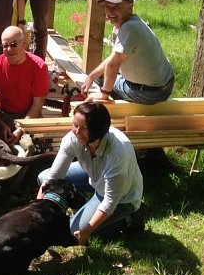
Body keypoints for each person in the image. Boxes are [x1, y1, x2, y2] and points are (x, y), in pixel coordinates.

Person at [37, 102, 147, 242]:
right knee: (43, 178)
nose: (77, 132)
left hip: (122, 198)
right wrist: (36, 213)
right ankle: (80, 202)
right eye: (75, 125)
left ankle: (132, 216)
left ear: (97, 130)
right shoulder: (73, 137)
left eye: (84, 128)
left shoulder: (118, 152)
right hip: (95, 177)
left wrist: (86, 231)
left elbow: (110, 201)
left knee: (76, 234)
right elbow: (52, 179)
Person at [82, 0, 175, 105]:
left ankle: (116, 110)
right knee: (101, 75)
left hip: (147, 93)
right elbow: (112, 59)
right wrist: (91, 76)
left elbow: (113, 64)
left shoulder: (129, 28)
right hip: (164, 86)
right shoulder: (133, 23)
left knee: (103, 80)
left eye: (116, 7)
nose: (110, 11)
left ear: (130, 7)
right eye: (107, 6)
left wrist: (104, 94)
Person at [0, 25, 49, 125]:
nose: (9, 49)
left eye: (13, 44)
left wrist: (22, 127)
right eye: (5, 46)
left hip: (29, 114)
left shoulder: (39, 67)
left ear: (24, 44)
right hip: (2, 114)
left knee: (28, 136)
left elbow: (38, 103)